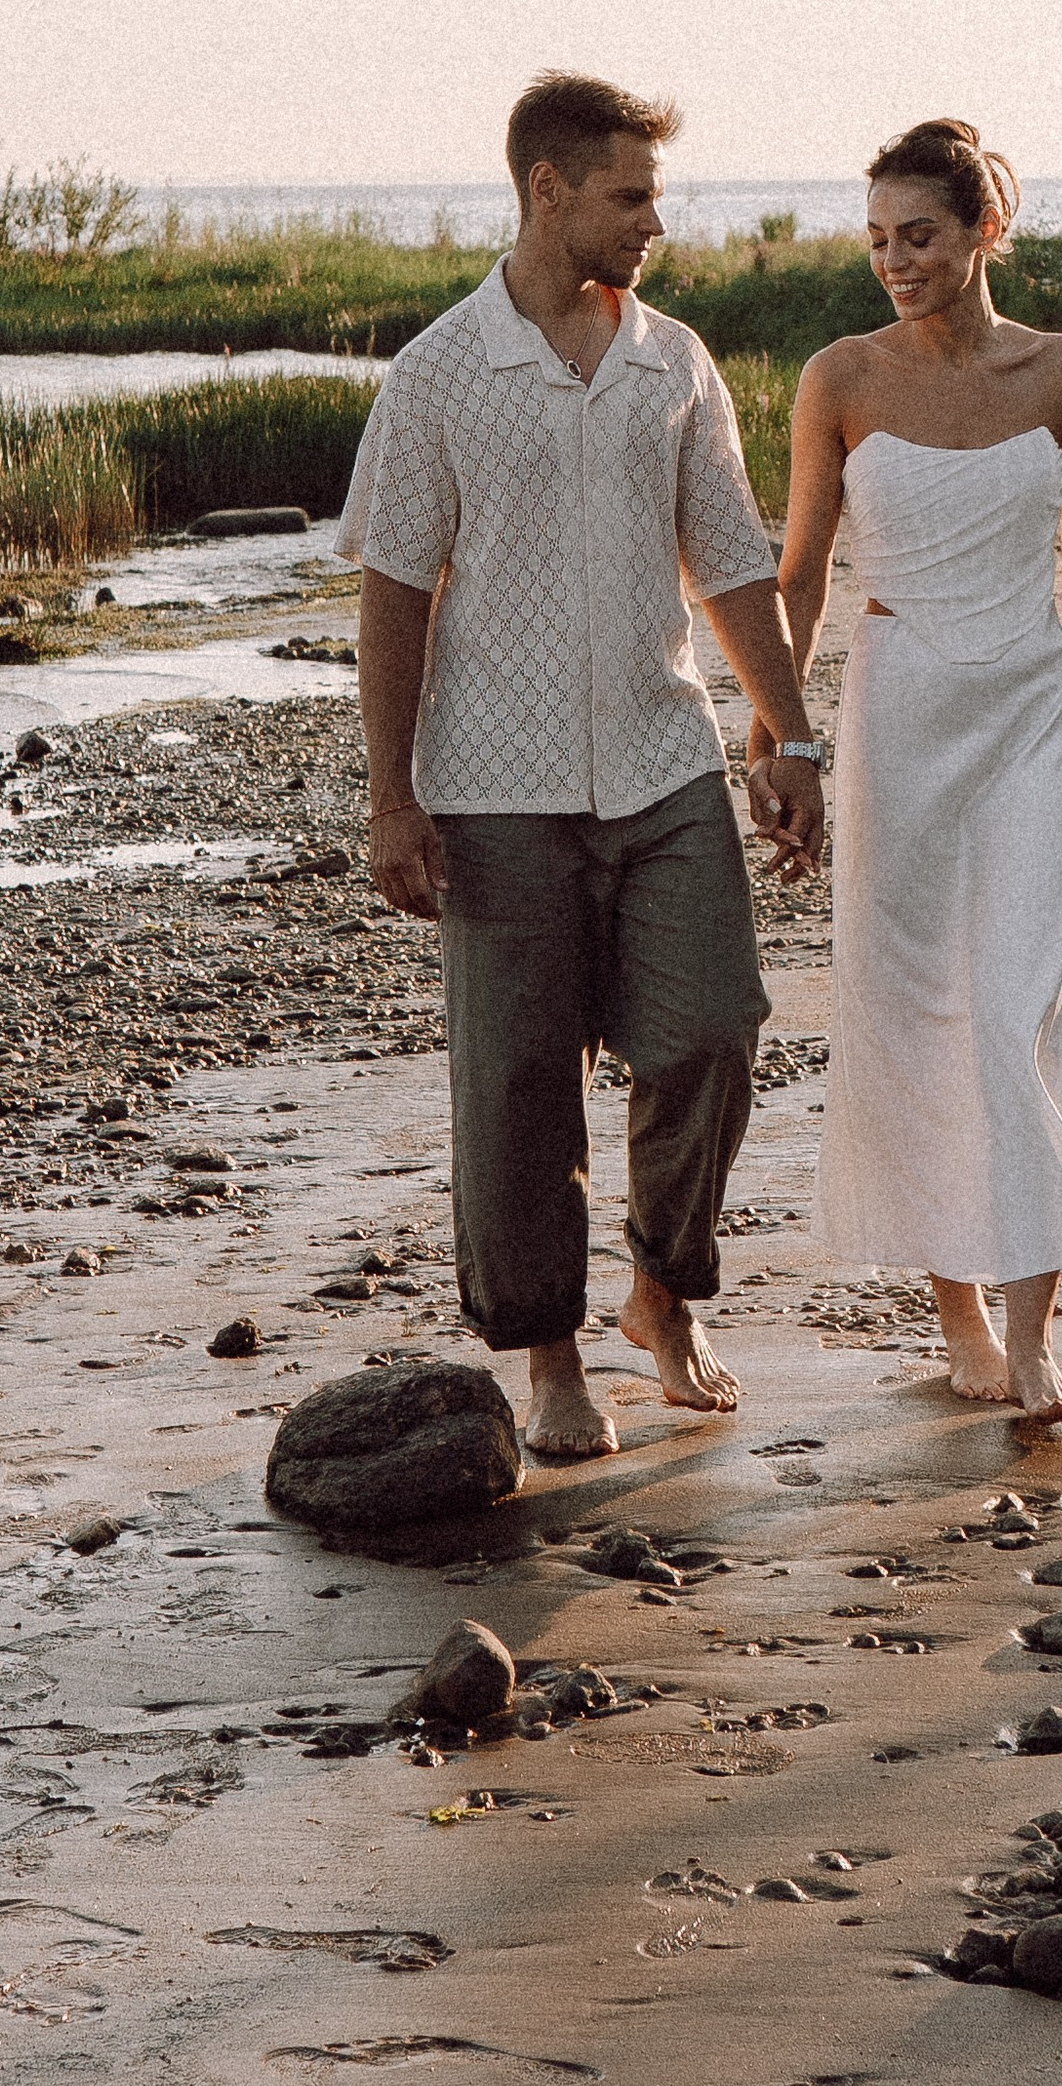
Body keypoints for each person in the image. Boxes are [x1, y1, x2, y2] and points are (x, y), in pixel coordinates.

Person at [344, 72, 826, 1463]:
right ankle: (549, 1359)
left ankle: (663, 1291)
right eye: (629, 197)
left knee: (712, 1030)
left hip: (667, 766)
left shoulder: (672, 362)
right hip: (494, 788)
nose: (652, 224)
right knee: (517, 1087)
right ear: (547, 190)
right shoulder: (441, 372)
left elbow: (729, 558)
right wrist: (392, 796)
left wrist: (788, 733)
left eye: (655, 199)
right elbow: (394, 587)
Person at [767, 119, 1062, 1421]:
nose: (893, 262)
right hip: (900, 714)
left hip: (1033, 712)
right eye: (875, 241)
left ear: (986, 231)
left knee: (1018, 1009)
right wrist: (783, 731)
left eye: (917, 236)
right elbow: (799, 574)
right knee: (914, 1006)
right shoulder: (841, 379)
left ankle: (1036, 1334)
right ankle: (963, 1323)